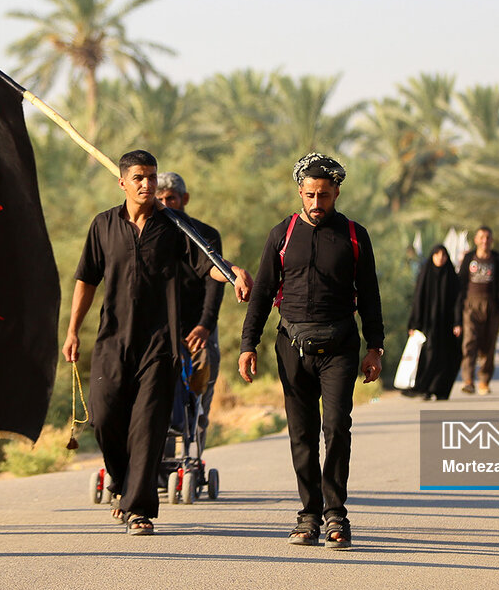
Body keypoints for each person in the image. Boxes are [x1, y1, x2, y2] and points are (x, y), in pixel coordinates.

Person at [63, 151, 250, 537]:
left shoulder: (175, 226)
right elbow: (86, 279)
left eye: (151, 176)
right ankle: (120, 479)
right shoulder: (103, 225)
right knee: (104, 418)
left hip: (161, 344)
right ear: (123, 183)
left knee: (148, 427)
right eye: (139, 178)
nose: (147, 184)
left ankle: (139, 510)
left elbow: (207, 266)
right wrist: (72, 331)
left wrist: (233, 271)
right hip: (112, 341)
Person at [239, 153, 384, 550]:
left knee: (336, 428)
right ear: (300, 192)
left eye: (323, 195)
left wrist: (375, 347)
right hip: (292, 346)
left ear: (337, 191)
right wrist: (247, 344)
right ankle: (309, 514)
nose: (316, 203)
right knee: (301, 434)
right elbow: (263, 293)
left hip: (339, 347)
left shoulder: (355, 235)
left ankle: (336, 514)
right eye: (309, 195)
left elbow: (370, 294)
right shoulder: (281, 235)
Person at [155, 172, 225, 456]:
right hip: (160, 330)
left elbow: (215, 283)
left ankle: (192, 461)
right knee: (160, 398)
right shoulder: (147, 235)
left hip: (198, 329)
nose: (164, 204)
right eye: (158, 199)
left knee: (198, 397)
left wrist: (205, 326)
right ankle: (158, 466)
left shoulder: (205, 235)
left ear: (184, 199)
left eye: (170, 198)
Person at [454, 226, 499, 395]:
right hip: (471, 306)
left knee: (488, 345)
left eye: (488, 237)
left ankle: (484, 381)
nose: (485, 241)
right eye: (481, 237)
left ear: (492, 240)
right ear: (476, 240)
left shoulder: (498, 260)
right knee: (470, 342)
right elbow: (461, 283)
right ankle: (468, 380)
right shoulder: (468, 258)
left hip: (492, 306)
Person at [406, 245, 462, 400]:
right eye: (437, 255)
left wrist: (458, 322)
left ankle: (441, 390)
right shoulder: (425, 274)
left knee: (446, 357)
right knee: (429, 356)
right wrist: (413, 324)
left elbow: (458, 301)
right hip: (428, 325)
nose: (440, 258)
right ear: (432, 256)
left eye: (443, 255)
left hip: (447, 326)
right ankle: (426, 388)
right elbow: (418, 300)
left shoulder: (451, 276)